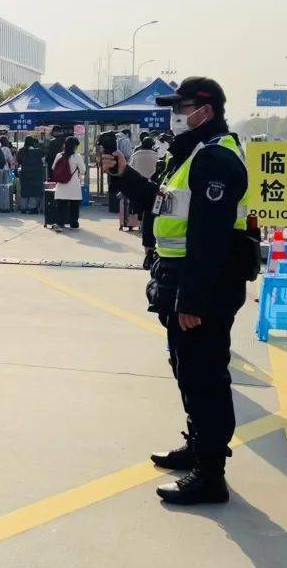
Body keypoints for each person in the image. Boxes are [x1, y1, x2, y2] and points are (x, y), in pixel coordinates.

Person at [103, 77, 250, 505]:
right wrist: (124, 175)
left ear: (205, 110)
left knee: (205, 375)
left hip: (204, 284)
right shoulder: (191, 154)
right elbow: (163, 204)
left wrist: (193, 300)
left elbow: (210, 237)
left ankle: (211, 474)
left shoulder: (215, 159)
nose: (176, 115)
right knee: (187, 368)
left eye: (182, 107)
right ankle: (198, 446)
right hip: (181, 278)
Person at [50, 135, 84, 229]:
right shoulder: (77, 156)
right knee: (74, 205)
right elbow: (83, 170)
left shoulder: (59, 155)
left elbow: (53, 168)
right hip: (73, 185)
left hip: (61, 184)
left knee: (61, 205)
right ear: (75, 146)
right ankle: (74, 223)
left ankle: (60, 223)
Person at [15, 135, 45, 213]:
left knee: (25, 190)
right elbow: (44, 155)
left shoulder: (21, 151)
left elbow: (19, 161)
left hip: (25, 173)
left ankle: (23, 207)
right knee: (34, 191)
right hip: (36, 173)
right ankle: (32, 208)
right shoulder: (37, 151)